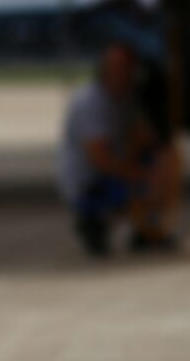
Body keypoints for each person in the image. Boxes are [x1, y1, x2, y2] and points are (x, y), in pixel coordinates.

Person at [59, 42, 180, 255]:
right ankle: (94, 221)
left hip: (111, 171)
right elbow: (99, 158)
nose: (124, 74)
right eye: (118, 68)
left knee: (165, 162)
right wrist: (140, 175)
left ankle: (146, 229)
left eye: (129, 68)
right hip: (88, 181)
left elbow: (145, 138)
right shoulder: (91, 102)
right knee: (151, 180)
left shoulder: (125, 99)